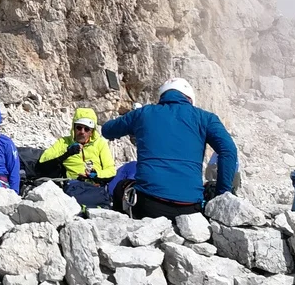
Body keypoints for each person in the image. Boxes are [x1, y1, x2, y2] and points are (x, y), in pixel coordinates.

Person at [101, 78, 238, 220]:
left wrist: (135, 124)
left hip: (148, 205)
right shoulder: (206, 118)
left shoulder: (143, 113)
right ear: (190, 99)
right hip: (190, 208)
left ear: (162, 97)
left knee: (121, 186)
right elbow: (228, 151)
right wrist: (222, 195)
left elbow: (107, 130)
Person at [35, 107, 116, 208]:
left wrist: (96, 175)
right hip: (74, 184)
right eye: (79, 128)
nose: (82, 132)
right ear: (74, 127)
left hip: (96, 185)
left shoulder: (100, 144)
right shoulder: (64, 142)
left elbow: (111, 170)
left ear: (92, 131)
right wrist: (67, 153)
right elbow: (43, 160)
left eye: (87, 129)